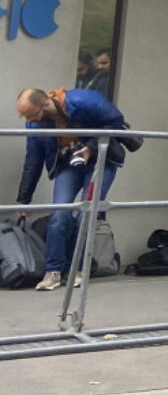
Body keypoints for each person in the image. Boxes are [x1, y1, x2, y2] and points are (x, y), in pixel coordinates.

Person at [16, 86, 129, 291]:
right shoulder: (35, 125)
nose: (30, 121)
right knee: (60, 215)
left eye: (32, 115)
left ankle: (76, 270)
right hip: (68, 164)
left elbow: (115, 121)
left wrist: (90, 149)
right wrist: (24, 200)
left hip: (100, 161)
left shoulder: (84, 100)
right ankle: (53, 272)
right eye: (26, 117)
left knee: (86, 213)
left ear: (45, 104)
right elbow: (33, 161)